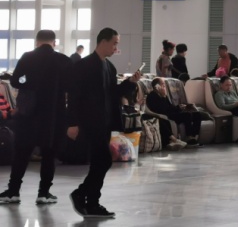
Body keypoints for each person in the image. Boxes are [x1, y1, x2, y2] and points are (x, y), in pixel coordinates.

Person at [66, 27, 142, 219]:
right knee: (104, 160)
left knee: (100, 162)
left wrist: (130, 83)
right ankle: (83, 195)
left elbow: (113, 93)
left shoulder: (109, 67)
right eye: (114, 43)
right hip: (90, 121)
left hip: (105, 121)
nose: (116, 48)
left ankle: (91, 202)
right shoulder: (83, 66)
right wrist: (72, 122)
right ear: (103, 41)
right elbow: (74, 96)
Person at [0, 30, 71, 206]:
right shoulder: (63, 60)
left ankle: (13, 192)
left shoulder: (28, 57)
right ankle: (43, 193)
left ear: (37, 42)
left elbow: (15, 81)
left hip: (29, 115)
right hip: (53, 116)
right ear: (54, 42)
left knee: (22, 153)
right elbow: (70, 86)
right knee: (49, 154)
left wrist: (29, 83)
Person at [145, 78, 202, 146]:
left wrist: (179, 107)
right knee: (187, 115)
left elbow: (170, 107)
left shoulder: (163, 95)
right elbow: (161, 109)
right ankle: (189, 137)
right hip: (166, 115)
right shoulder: (152, 96)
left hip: (172, 112)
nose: (164, 86)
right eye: (162, 84)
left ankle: (195, 137)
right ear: (157, 86)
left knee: (197, 114)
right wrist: (163, 97)